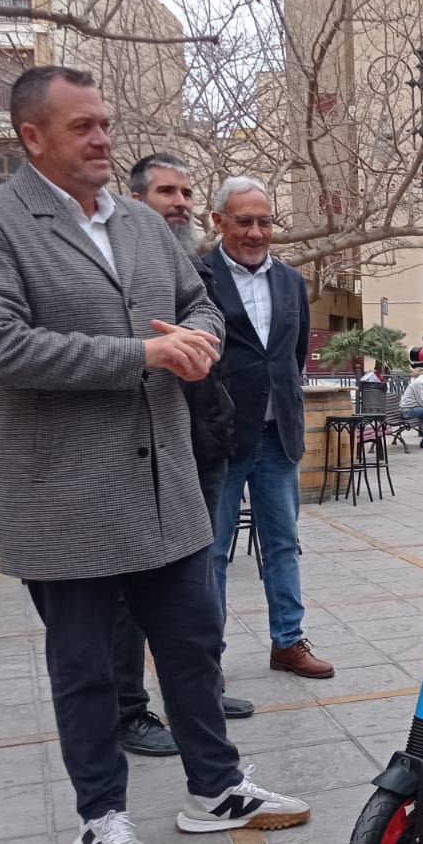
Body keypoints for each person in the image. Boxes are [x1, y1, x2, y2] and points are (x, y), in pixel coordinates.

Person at [0, 66, 309, 844]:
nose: (104, 139)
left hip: (168, 490)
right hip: (65, 495)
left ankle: (216, 789)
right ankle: (102, 818)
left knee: (193, 645)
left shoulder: (147, 228)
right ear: (31, 137)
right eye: (83, 127)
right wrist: (143, 354)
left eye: (106, 123)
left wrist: (200, 338)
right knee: (87, 667)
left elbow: (202, 301)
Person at [107, 153, 249, 760]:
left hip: (203, 437)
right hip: (137, 447)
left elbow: (207, 314)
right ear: (136, 199)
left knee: (195, 581)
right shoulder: (110, 262)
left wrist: (200, 333)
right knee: (129, 591)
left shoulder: (188, 261)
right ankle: (128, 710)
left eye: (188, 191)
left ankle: (199, 689)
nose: (182, 202)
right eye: (168, 191)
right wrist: (155, 346)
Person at [205, 177, 335, 679]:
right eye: (244, 221)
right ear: (219, 222)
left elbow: (292, 355)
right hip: (220, 436)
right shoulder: (199, 277)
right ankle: (207, 652)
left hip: (278, 433)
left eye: (264, 221)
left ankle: (288, 640)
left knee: (282, 542)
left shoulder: (290, 282)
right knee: (214, 548)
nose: (257, 232)